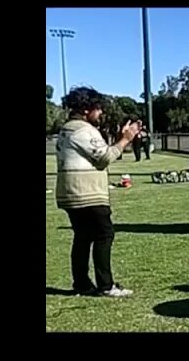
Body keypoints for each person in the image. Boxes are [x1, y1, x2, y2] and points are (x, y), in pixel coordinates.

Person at [55, 86, 142, 297]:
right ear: (87, 109)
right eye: (98, 108)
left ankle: (82, 283)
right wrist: (126, 139)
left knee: (83, 237)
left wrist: (119, 140)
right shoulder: (84, 130)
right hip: (87, 193)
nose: (101, 113)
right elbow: (104, 158)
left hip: (69, 193)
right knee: (104, 234)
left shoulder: (67, 129)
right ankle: (106, 285)